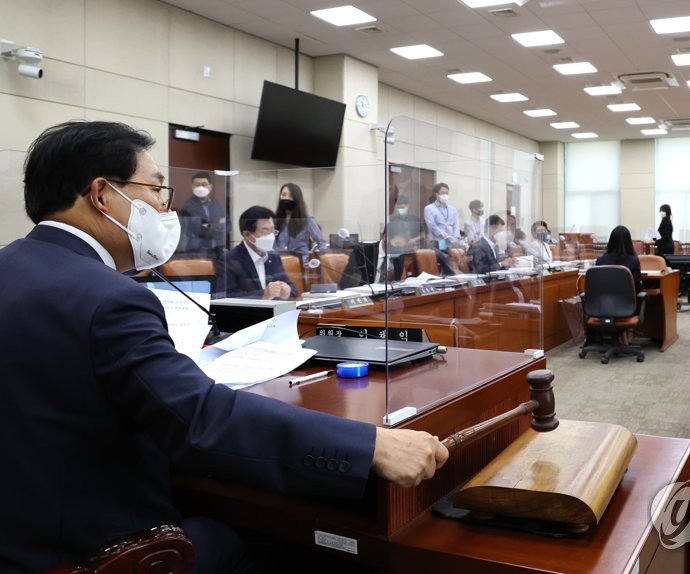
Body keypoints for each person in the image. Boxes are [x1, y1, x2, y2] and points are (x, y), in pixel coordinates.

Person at [0, 120, 447, 572]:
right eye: (156, 189)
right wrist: (368, 445)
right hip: (94, 550)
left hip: (17, 534)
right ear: (101, 195)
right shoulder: (109, 298)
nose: (163, 206)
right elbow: (200, 421)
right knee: (286, 536)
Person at [218, 205, 298, 299]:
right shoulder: (230, 259)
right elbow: (225, 296)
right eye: (265, 231)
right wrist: (263, 295)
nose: (271, 236)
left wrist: (288, 290)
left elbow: (293, 289)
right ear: (247, 235)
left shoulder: (273, 257)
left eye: (273, 231)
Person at [273, 182, 327, 265]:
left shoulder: (307, 219)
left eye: (291, 196)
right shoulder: (275, 219)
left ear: (297, 198)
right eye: (283, 195)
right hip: (278, 265)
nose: (286, 198)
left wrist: (322, 262)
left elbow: (321, 243)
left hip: (300, 266)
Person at [178, 170, 228, 257]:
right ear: (192, 187)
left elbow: (228, 226)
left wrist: (209, 226)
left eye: (204, 184)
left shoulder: (217, 204)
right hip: (196, 252)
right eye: (197, 185)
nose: (200, 187)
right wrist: (217, 226)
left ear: (210, 187)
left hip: (217, 250)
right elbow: (198, 230)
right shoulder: (188, 207)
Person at [384, 195, 423, 280]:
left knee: (417, 263)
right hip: (398, 249)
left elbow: (423, 234)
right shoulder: (393, 221)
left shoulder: (415, 219)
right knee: (398, 259)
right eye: (398, 207)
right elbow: (388, 237)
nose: (401, 209)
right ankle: (398, 279)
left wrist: (414, 240)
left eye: (403, 207)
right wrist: (396, 242)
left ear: (408, 205)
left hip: (413, 248)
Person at [596, 225, 642, 293]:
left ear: (611, 241)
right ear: (628, 241)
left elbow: (597, 285)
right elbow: (636, 288)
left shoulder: (600, 261)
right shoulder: (633, 261)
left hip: (603, 302)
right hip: (627, 302)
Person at [423, 182, 461, 249]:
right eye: (443, 193)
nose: (445, 195)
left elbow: (456, 226)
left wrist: (455, 237)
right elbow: (433, 227)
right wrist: (448, 237)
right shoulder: (429, 209)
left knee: (455, 257)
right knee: (443, 258)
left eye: (447, 193)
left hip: (452, 243)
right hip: (436, 241)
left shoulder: (453, 209)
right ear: (436, 194)